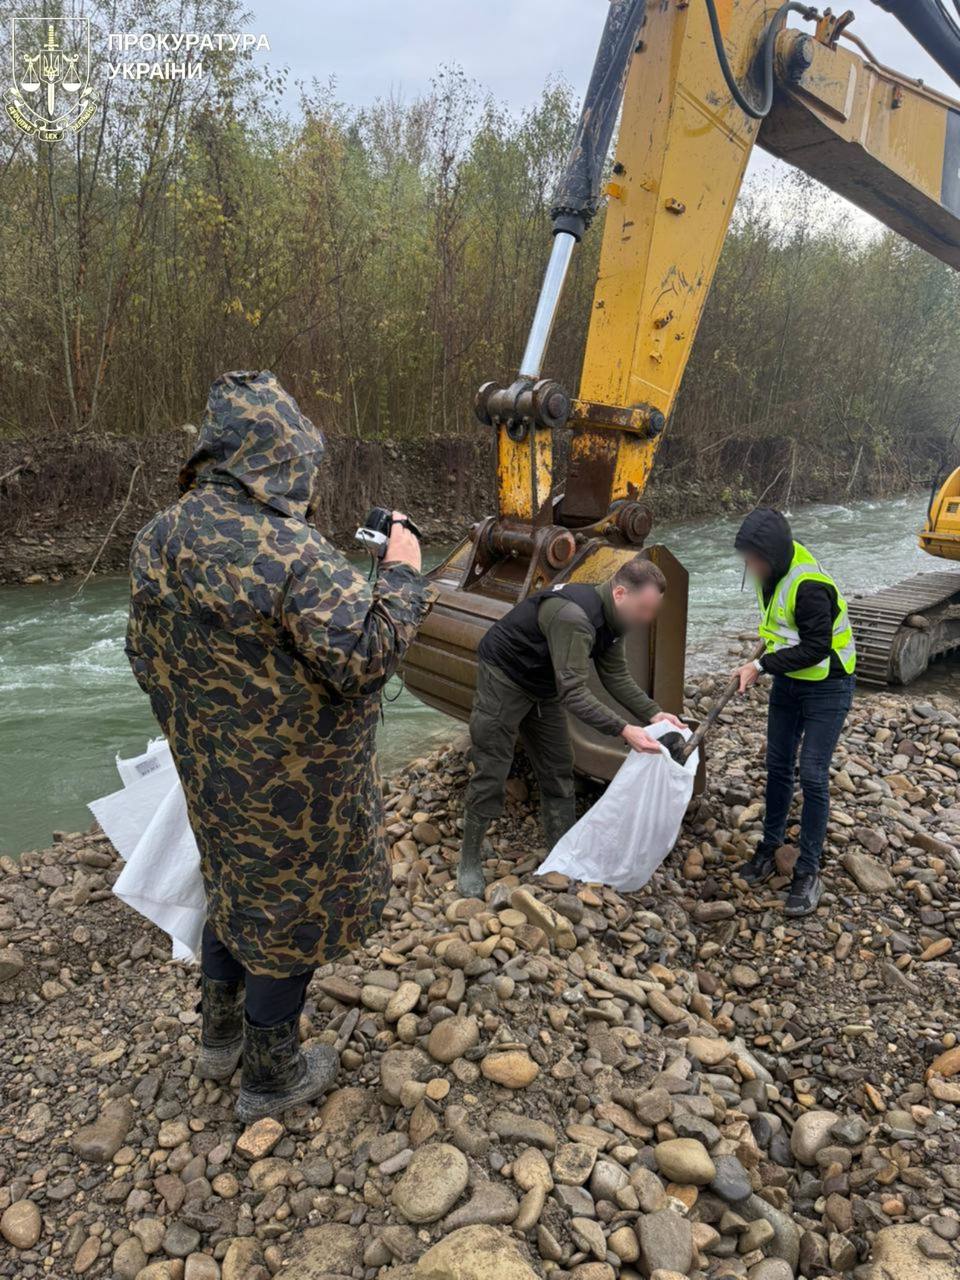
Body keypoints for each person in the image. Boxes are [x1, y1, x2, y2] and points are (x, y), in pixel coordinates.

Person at [126, 370, 430, 1120]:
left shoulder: (155, 538)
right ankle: (271, 1074)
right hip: (297, 788)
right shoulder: (291, 552)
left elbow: (142, 655)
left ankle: (218, 1038)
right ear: (278, 459)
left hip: (209, 772)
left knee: (231, 888)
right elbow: (367, 657)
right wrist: (403, 573)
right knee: (287, 919)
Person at [458, 557, 683, 896]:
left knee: (558, 766)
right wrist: (624, 729)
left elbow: (615, 675)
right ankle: (469, 860)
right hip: (506, 676)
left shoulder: (614, 620)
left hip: (544, 686)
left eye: (652, 611)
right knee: (492, 767)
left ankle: (561, 852)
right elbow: (575, 694)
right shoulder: (574, 617)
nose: (647, 619)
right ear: (620, 593)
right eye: (644, 609)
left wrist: (653, 714)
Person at [733, 507, 856, 916]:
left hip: (828, 683)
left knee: (813, 774)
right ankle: (770, 847)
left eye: (752, 558)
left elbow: (817, 646)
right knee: (779, 765)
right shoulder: (769, 574)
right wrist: (762, 663)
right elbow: (777, 631)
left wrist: (760, 666)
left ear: (771, 553)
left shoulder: (809, 585)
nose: (748, 566)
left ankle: (807, 871)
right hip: (791, 681)